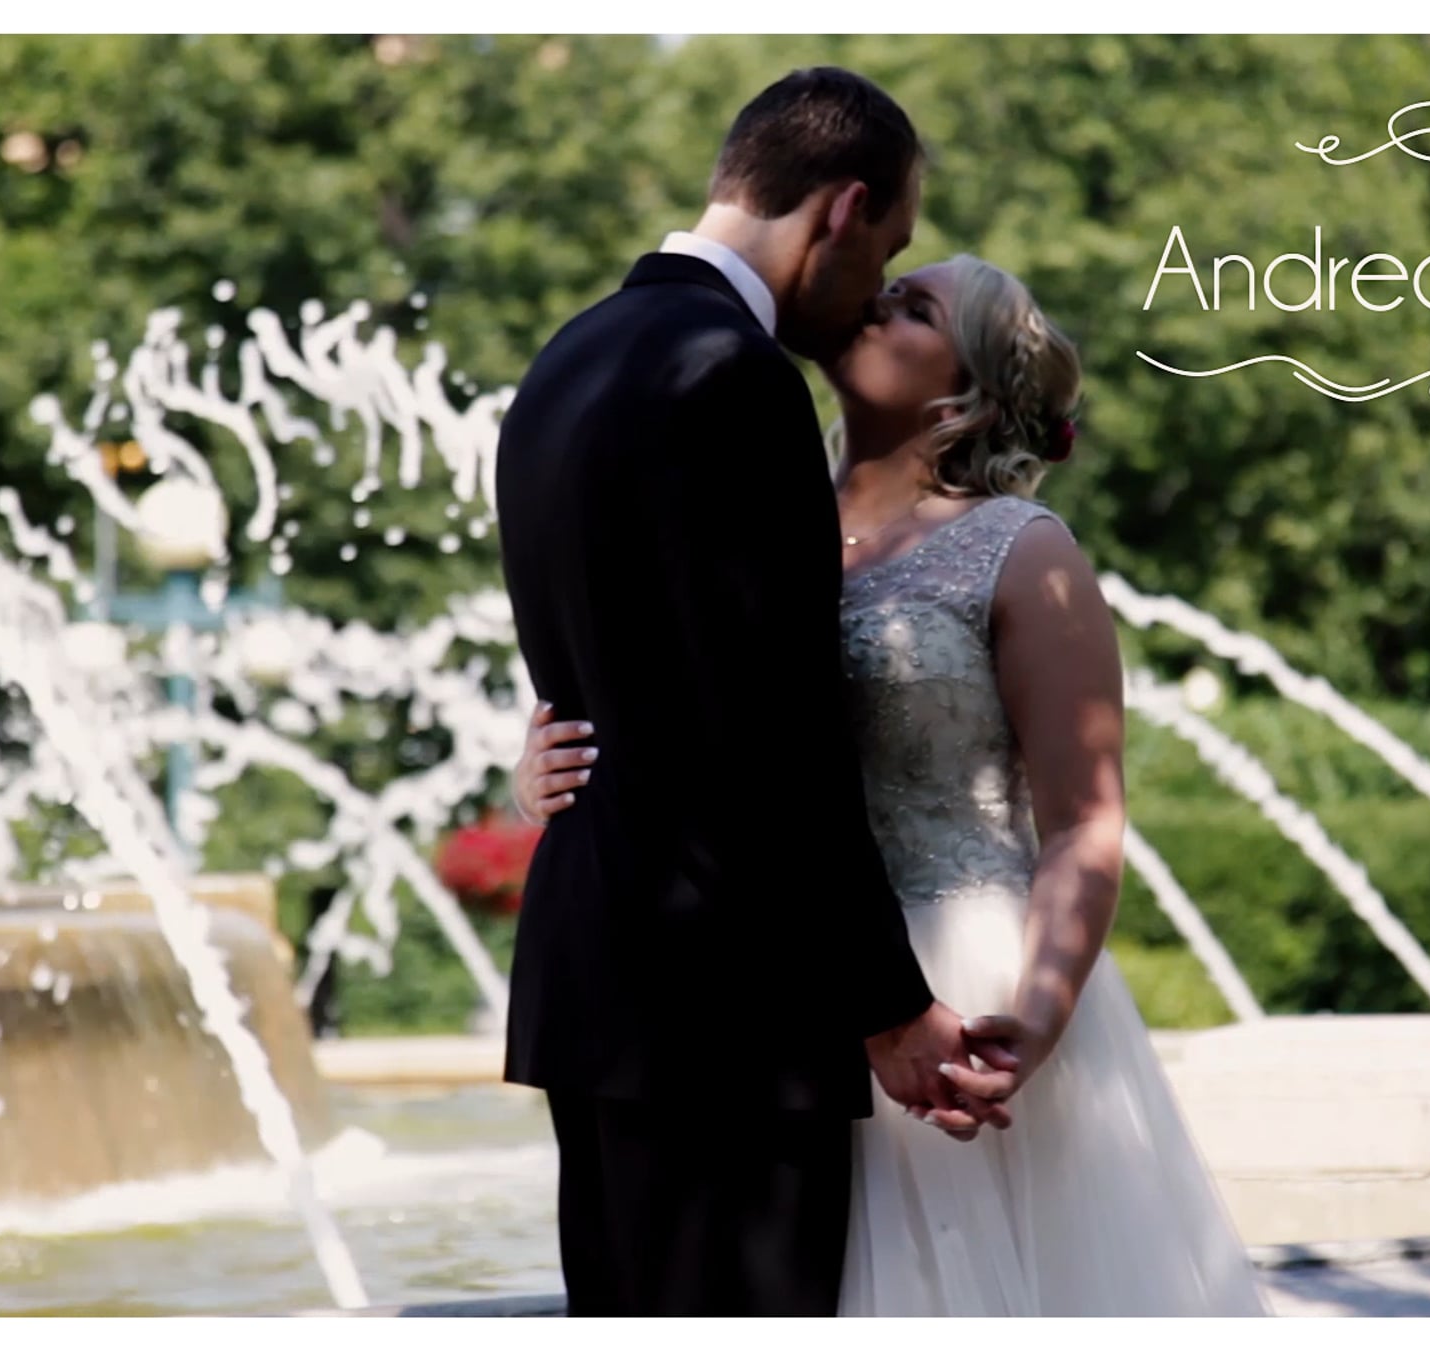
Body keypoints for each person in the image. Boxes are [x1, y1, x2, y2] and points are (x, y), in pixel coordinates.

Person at [512, 244, 1274, 1315]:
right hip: (779, 992)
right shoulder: (755, 512)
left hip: (958, 983)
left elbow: (1084, 823)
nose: (873, 306)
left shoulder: (1022, 553)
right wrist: (542, 767)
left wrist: (1036, 1015)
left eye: (911, 308)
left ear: (969, 392)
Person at [492, 67, 1020, 1317]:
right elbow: (770, 734)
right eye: (886, 248)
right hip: (724, 1013)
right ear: (841, 210)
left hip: (592, 986)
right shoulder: (731, 376)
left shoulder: (567, 357)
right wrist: (888, 1006)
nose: (873, 288)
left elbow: (624, 666)